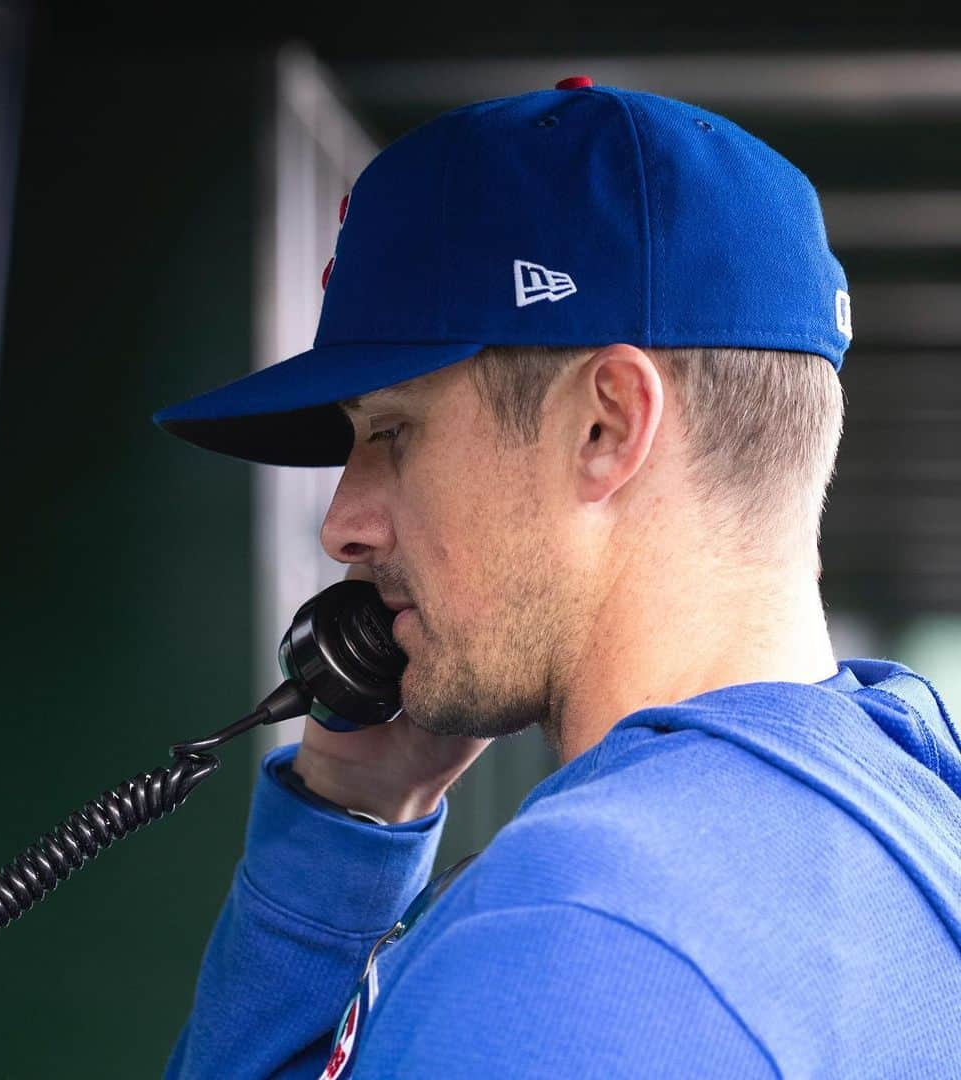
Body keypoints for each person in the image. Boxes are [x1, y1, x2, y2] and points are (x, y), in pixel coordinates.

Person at [152, 77, 961, 1078]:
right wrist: (346, 833)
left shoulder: (572, 943)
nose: (342, 524)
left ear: (605, 425)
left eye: (393, 433)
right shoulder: (910, 805)